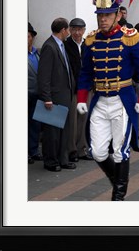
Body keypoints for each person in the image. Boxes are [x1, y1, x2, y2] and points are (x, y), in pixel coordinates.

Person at [76, 0, 139, 201]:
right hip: (100, 100)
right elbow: (85, 73)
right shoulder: (91, 40)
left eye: (107, 15)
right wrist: (82, 97)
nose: (103, 19)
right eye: (100, 15)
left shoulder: (131, 38)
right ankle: (117, 179)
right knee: (98, 151)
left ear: (118, 15)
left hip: (122, 100)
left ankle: (118, 195)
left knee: (120, 150)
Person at [37, 17, 76, 172]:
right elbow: (44, 75)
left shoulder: (61, 45)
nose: (69, 32)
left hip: (64, 95)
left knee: (63, 131)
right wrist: (46, 97)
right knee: (52, 133)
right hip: (54, 96)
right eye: (68, 30)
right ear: (63, 30)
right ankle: (51, 161)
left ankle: (62, 159)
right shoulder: (49, 46)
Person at [64, 17, 93, 162]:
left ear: (84, 30)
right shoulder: (66, 45)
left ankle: (82, 148)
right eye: (74, 29)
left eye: (79, 29)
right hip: (74, 89)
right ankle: (72, 150)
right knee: (73, 122)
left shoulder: (87, 45)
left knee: (84, 119)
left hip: (86, 88)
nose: (76, 32)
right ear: (69, 30)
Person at [28, 22, 43, 164]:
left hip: (37, 94)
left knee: (35, 124)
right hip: (25, 93)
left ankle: (33, 150)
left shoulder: (37, 53)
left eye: (27, 36)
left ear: (32, 37)